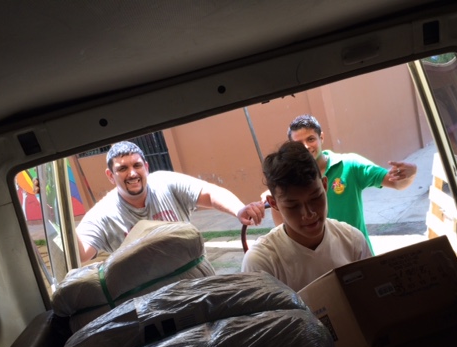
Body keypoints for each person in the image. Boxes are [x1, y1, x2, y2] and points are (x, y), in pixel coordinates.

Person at [76, 141, 265, 262]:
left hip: (196, 282)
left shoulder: (165, 183)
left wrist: (239, 210)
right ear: (111, 175)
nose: (132, 173)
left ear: (146, 167)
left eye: (137, 165)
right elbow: (81, 253)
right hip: (146, 298)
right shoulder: (104, 213)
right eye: (123, 169)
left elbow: (209, 193)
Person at [266, 114, 418, 253]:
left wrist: (409, 175)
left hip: (357, 254)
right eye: (299, 143)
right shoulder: (286, 184)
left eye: (311, 139)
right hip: (317, 259)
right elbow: (284, 232)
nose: (306, 146)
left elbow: (396, 184)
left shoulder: (350, 165)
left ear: (321, 137)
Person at [242, 141, 371, 292]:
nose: (309, 214)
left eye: (315, 198)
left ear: (324, 186)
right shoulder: (261, 263)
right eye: (293, 206)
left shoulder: (353, 241)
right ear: (273, 203)